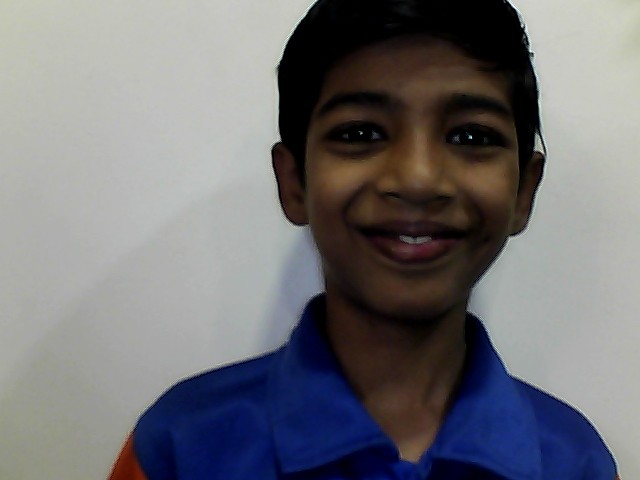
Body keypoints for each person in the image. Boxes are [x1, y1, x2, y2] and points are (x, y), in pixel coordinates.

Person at [109, 0, 619, 478]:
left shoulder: (574, 463)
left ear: (524, 191)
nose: (418, 180)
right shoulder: (182, 448)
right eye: (360, 133)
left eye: (471, 136)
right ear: (294, 183)